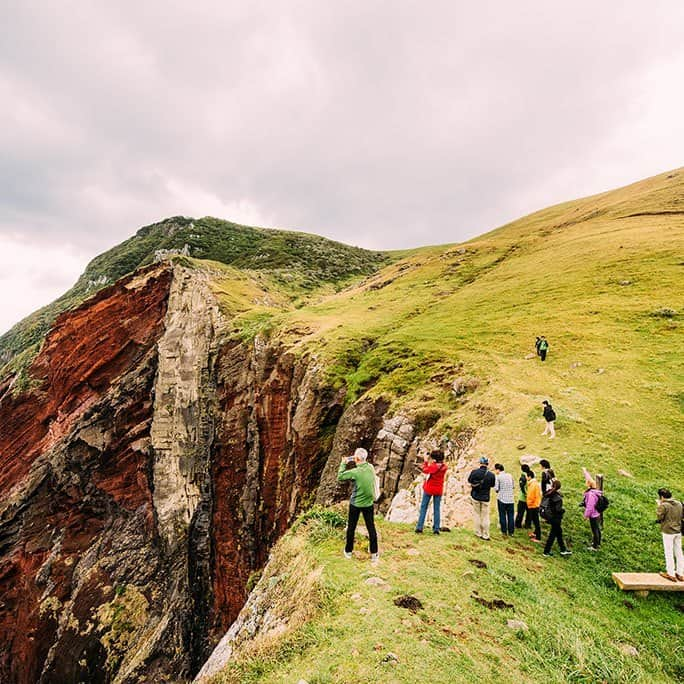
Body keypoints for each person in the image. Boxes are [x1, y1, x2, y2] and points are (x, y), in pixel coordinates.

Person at [337, 447, 379, 562]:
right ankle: (374, 554)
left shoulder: (355, 472)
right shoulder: (370, 467)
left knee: (351, 527)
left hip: (356, 504)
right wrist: (356, 458)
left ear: (356, 458)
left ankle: (348, 551)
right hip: (369, 503)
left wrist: (343, 463)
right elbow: (365, 466)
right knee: (371, 528)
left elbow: (340, 476)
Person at [415, 450, 448, 535]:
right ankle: (436, 529)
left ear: (434, 459)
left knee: (424, 507)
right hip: (438, 489)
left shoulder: (433, 466)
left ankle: (419, 527)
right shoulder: (444, 467)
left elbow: (425, 470)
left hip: (429, 489)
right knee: (436, 509)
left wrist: (426, 461)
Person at [655, 488, 684, 582]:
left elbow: (659, 517)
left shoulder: (664, 505)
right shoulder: (679, 503)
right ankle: (680, 573)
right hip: (678, 531)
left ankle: (670, 573)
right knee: (679, 552)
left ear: (662, 497)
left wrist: (659, 505)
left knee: (669, 552)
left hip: (668, 531)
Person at [467, 456, 496, 540]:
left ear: (480, 463)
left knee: (477, 514)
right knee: (485, 516)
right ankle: (486, 534)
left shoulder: (474, 472)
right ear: (487, 464)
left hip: (475, 496)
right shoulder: (491, 475)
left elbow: (469, 480)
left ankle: (478, 532)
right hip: (486, 497)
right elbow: (493, 485)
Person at [542, 480, 572, 557]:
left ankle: (563, 549)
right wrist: (563, 510)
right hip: (556, 518)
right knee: (553, 535)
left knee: (559, 533)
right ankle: (546, 551)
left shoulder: (548, 493)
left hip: (549, 516)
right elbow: (558, 510)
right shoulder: (558, 498)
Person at [582, 469, 603, 551]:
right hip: (597, 513)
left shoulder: (591, 494)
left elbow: (590, 507)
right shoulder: (595, 490)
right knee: (597, 529)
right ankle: (598, 543)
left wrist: (586, 515)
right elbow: (589, 479)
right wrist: (585, 471)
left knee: (595, 530)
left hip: (593, 514)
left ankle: (595, 546)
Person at [494, 463, 515, 536]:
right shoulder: (510, 475)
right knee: (511, 516)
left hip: (502, 499)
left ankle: (504, 531)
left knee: (502, 515)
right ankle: (511, 532)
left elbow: (496, 489)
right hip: (511, 499)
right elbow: (513, 486)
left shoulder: (498, 477)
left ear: (498, 470)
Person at [526, 470, 542, 542]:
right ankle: (535, 533)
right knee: (535, 520)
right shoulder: (535, 483)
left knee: (536, 521)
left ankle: (538, 537)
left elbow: (531, 496)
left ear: (529, 477)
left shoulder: (532, 484)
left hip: (533, 505)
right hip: (536, 504)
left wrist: (528, 504)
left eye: (527, 476)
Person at [515, 464, 531, 529]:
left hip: (523, 498)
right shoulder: (531, 475)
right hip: (530, 497)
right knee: (529, 513)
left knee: (520, 512)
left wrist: (525, 494)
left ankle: (518, 525)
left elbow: (522, 487)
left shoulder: (523, 477)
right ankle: (527, 525)